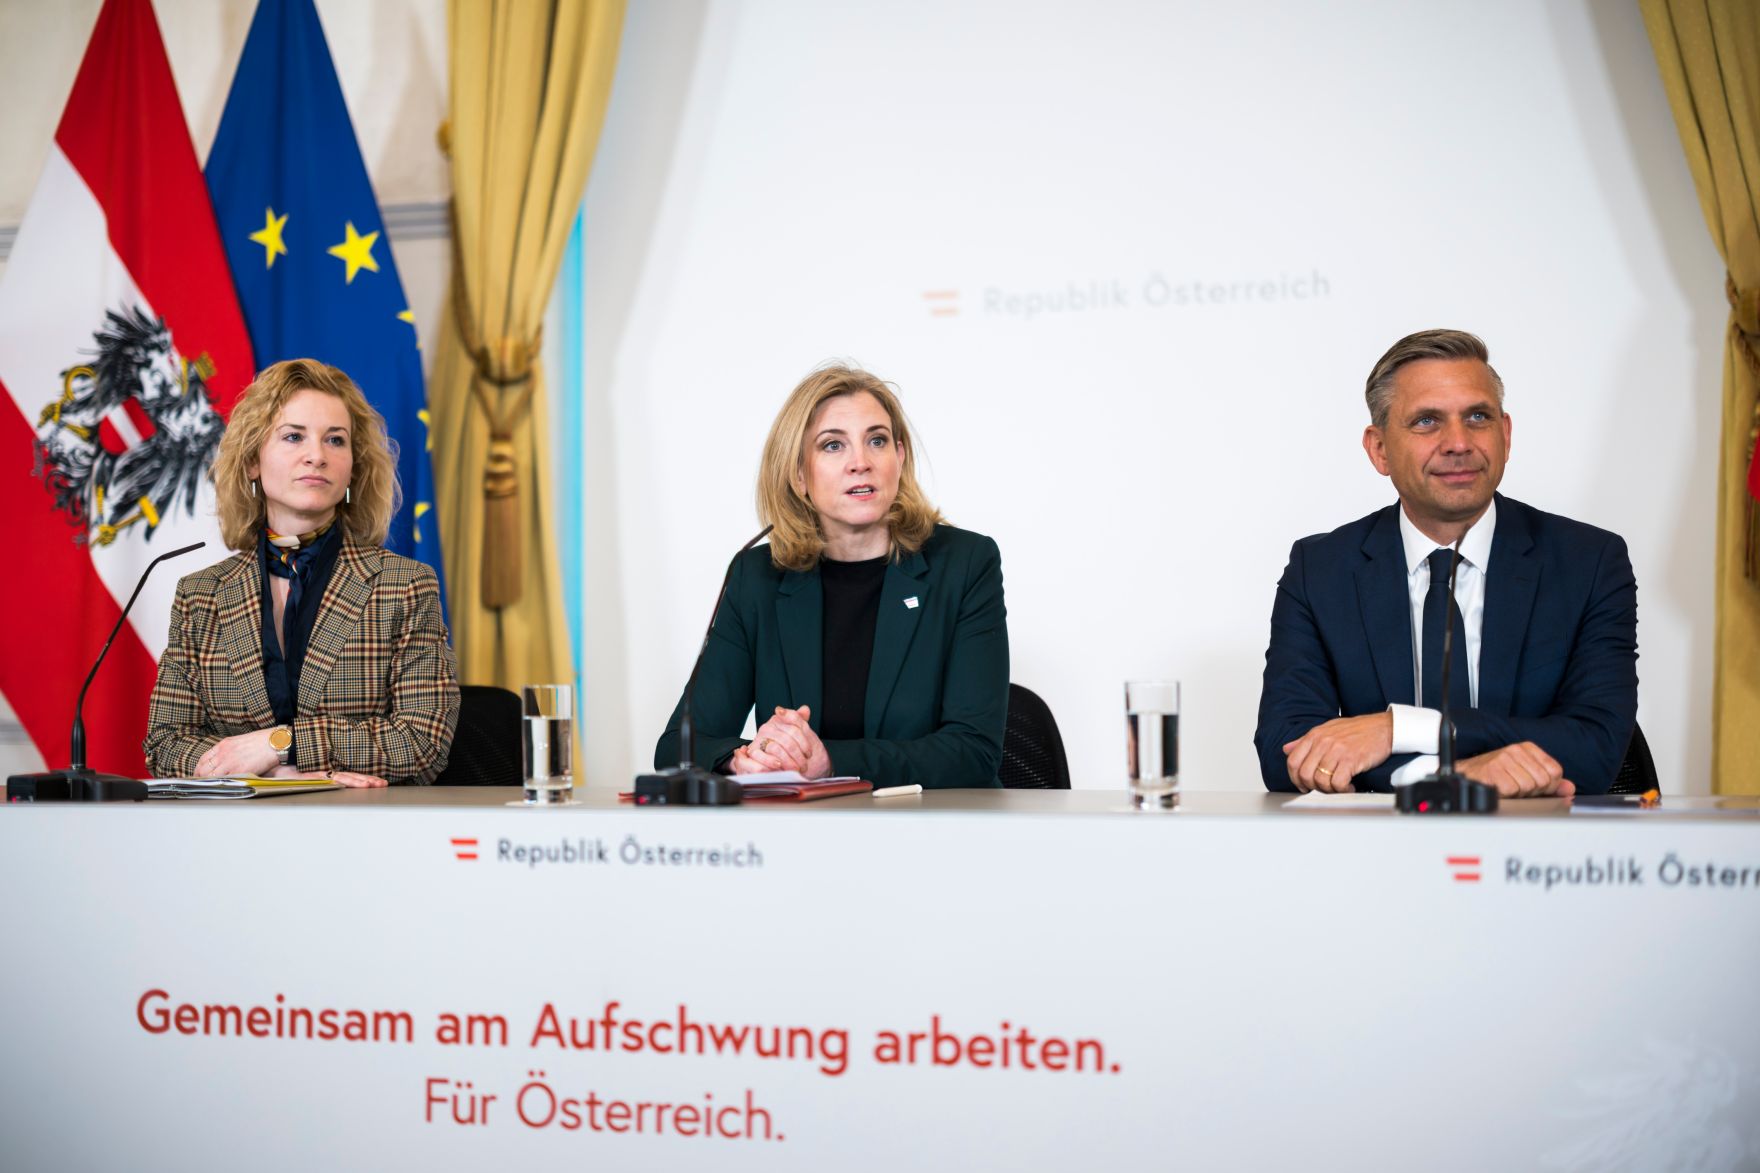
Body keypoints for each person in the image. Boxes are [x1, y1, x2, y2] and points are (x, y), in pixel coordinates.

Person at [1254, 330, 1637, 797]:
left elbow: (1596, 747)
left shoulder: (1589, 562)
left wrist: (1397, 730)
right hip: (1381, 839)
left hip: (1535, 839)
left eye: (1477, 417)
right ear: (1379, 449)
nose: (1458, 442)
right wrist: (1453, 777)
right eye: (1426, 421)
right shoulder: (1320, 570)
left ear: (1505, 434)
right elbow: (1285, 749)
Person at [654, 364, 1009, 788]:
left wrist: (830, 761)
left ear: (899, 457)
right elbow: (678, 747)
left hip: (930, 822)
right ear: (798, 474)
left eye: (877, 441)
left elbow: (974, 753)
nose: (860, 463)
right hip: (805, 826)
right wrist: (742, 761)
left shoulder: (965, 564)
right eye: (833, 445)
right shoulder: (757, 578)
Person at [144, 359, 459, 785]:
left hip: (360, 820)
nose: (317, 456)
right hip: (235, 824)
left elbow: (423, 741)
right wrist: (278, 774)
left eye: (335, 440)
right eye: (293, 437)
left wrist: (281, 745)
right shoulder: (200, 595)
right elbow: (165, 744)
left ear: (353, 467)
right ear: (253, 462)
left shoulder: (404, 586)